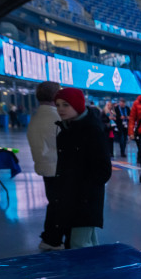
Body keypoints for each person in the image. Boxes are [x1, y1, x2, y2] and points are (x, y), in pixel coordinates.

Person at [53, 88, 112, 248]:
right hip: (71, 197)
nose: (60, 109)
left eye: (66, 105)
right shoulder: (65, 131)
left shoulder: (92, 130)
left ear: (77, 105)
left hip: (84, 200)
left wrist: (85, 192)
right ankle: (96, 271)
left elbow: (103, 170)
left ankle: (89, 272)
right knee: (88, 242)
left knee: (78, 245)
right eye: (58, 105)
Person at [26, 81, 67, 251]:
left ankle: (51, 237)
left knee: (54, 203)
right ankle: (52, 239)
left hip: (45, 167)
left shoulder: (35, 118)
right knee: (59, 205)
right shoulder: (57, 118)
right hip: (58, 169)